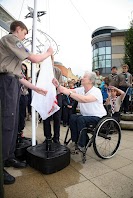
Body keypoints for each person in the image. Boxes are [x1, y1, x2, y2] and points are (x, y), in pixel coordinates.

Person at [0, 20, 53, 185]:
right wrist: (48, 52)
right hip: (6, 83)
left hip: (13, 82)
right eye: (24, 33)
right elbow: (35, 59)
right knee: (7, 123)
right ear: (18, 29)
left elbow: (19, 76)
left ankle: (8, 157)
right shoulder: (10, 38)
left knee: (14, 122)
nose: (24, 37)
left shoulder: (13, 49)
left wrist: (35, 88)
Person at [52, 71, 107, 152]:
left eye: (84, 77)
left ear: (90, 81)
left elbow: (84, 99)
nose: (82, 78)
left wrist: (70, 94)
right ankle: (75, 141)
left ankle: (82, 144)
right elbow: (67, 90)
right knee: (73, 117)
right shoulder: (81, 89)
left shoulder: (96, 91)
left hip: (98, 117)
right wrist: (58, 85)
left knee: (81, 120)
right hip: (85, 116)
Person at [43, 55, 63, 144]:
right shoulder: (40, 72)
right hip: (45, 97)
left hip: (57, 96)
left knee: (57, 118)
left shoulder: (57, 71)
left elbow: (61, 84)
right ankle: (47, 137)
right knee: (46, 117)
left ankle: (56, 138)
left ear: (52, 60)